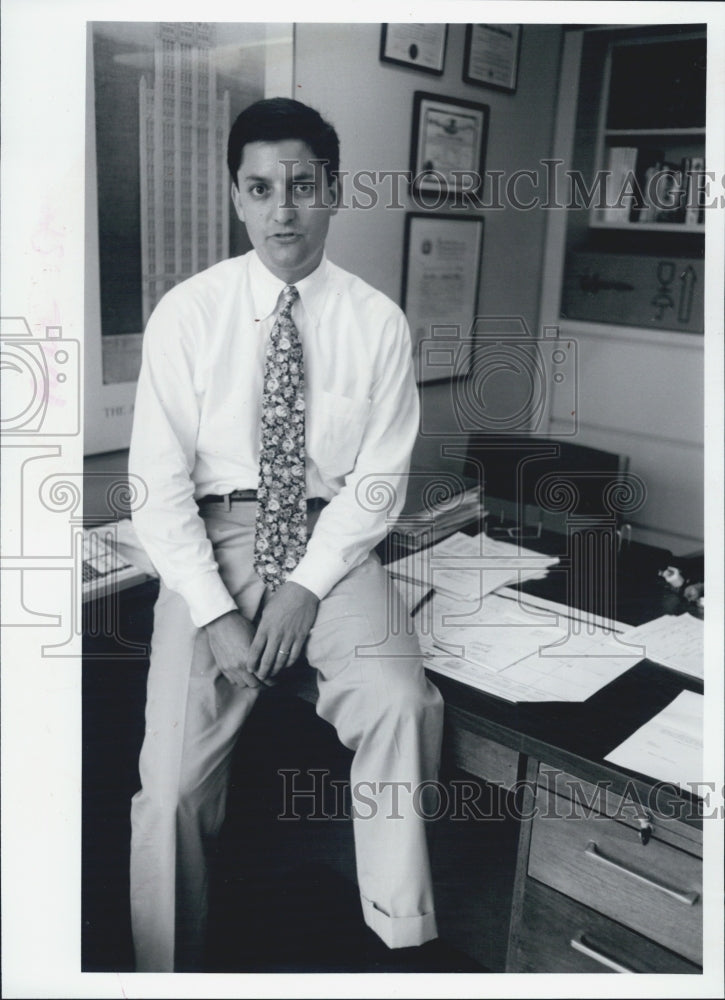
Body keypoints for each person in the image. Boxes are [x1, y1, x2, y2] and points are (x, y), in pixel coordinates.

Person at [128, 96, 444, 972]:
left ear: (333, 192)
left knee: (401, 704)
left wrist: (305, 587)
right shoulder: (188, 314)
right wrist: (214, 613)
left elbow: (376, 484)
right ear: (237, 196)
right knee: (172, 788)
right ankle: (164, 969)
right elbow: (155, 492)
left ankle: (397, 939)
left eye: (303, 186)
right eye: (262, 188)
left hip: (329, 545)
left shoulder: (374, 322)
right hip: (212, 540)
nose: (284, 209)